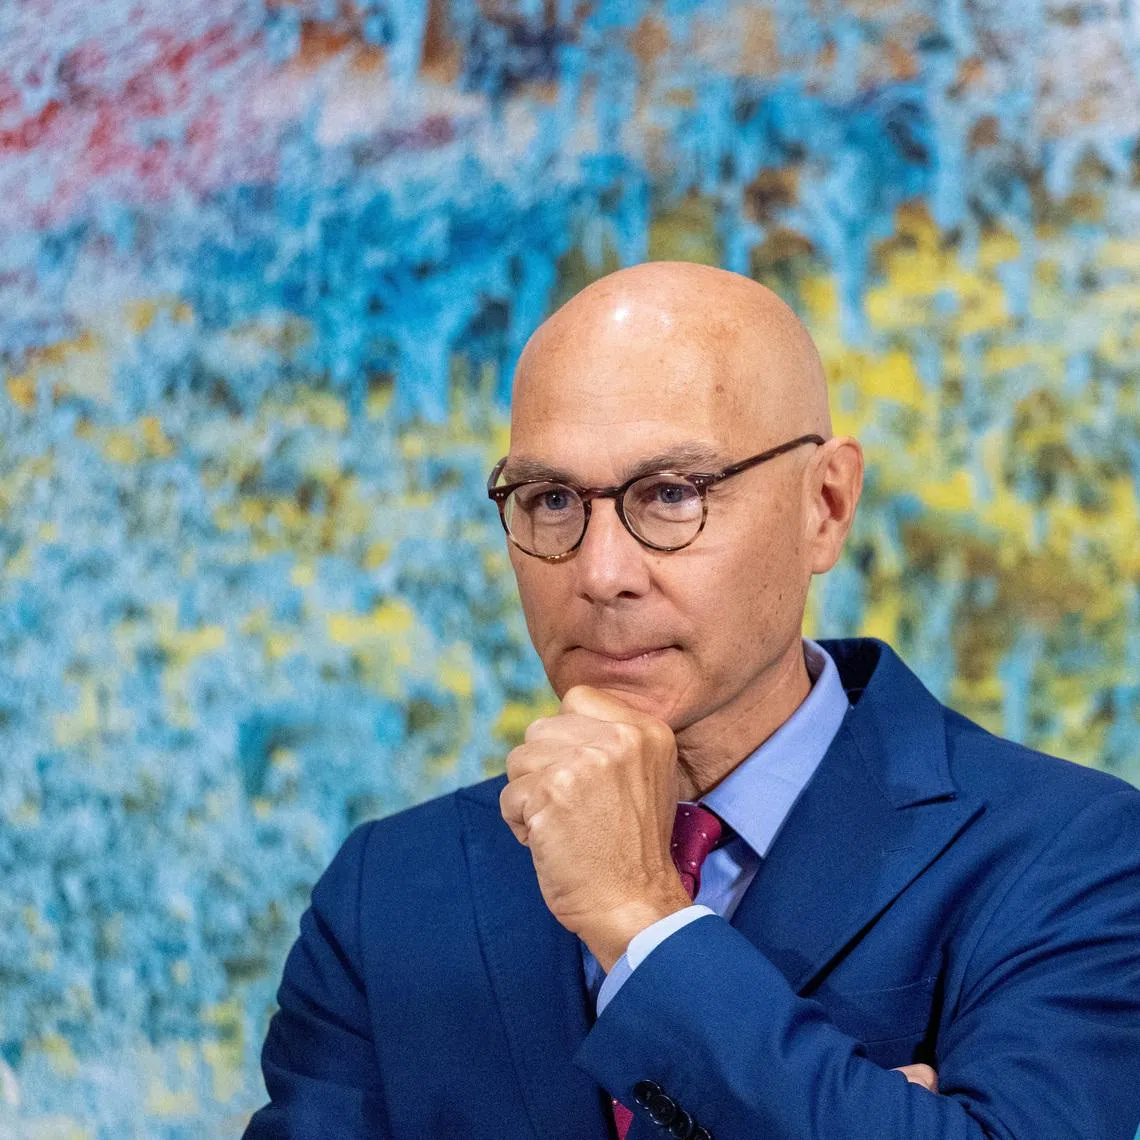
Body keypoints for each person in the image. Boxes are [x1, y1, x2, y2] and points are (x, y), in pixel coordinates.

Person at [244, 262, 1140, 1139]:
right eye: (551, 499)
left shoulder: (1077, 855)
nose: (600, 575)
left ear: (824, 507)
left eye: (673, 494)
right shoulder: (389, 890)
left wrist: (641, 920)